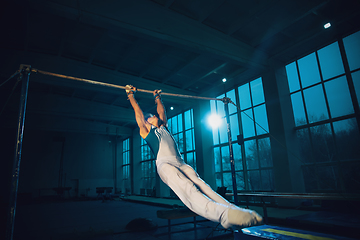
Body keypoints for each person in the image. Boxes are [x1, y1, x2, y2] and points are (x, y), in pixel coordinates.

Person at [125, 85, 263, 229]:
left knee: (204, 186)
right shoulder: (146, 130)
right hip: (164, 164)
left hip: (180, 162)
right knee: (188, 187)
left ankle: (234, 210)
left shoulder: (163, 127)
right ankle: (224, 215)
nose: (155, 116)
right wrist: (130, 95)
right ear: (147, 122)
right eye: (152, 117)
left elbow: (162, 111)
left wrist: (157, 97)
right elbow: (139, 114)